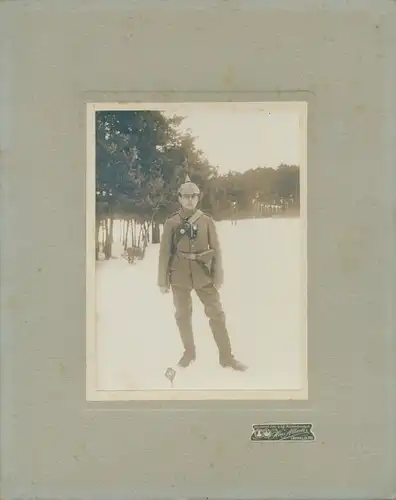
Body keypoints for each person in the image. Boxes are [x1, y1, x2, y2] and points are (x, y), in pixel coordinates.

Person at [157, 175, 247, 371]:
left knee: (217, 314)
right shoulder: (171, 223)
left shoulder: (206, 221)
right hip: (179, 275)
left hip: (203, 274)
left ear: (199, 198)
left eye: (194, 196)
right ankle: (189, 353)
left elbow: (216, 249)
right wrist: (162, 280)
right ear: (179, 198)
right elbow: (165, 253)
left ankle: (227, 357)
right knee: (182, 315)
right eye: (186, 196)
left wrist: (218, 275)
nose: (190, 200)